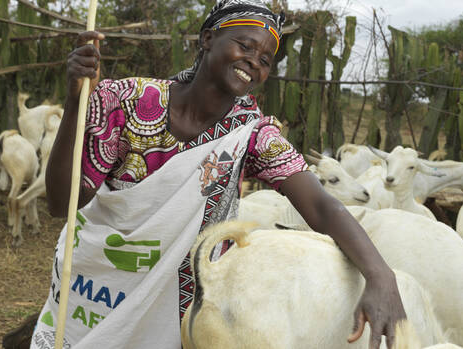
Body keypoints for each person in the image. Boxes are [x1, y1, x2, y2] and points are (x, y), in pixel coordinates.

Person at [33, 1, 406, 348]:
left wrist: (380, 275)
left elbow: (322, 206)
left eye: (265, 59)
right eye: (245, 45)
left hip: (176, 309)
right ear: (208, 39)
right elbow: (62, 202)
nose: (254, 62)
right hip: (95, 282)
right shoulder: (124, 100)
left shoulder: (252, 134)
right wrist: (74, 100)